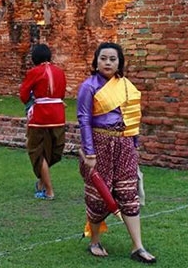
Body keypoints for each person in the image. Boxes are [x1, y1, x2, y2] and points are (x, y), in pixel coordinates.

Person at [77, 42, 156, 263]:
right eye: (103, 58)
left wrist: (133, 145)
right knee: (98, 195)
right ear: (96, 61)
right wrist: (89, 153)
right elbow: (84, 120)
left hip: (124, 144)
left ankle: (138, 246)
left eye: (113, 59)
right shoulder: (89, 86)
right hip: (99, 143)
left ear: (119, 62)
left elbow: (133, 118)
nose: (108, 63)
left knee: (128, 193)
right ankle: (94, 241)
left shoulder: (126, 86)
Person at [19, 43, 66, 200]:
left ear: (34, 58)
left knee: (38, 153)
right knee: (53, 151)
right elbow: (62, 93)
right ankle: (41, 183)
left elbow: (24, 94)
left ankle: (48, 190)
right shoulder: (60, 72)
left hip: (40, 117)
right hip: (58, 115)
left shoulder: (34, 72)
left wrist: (31, 101)